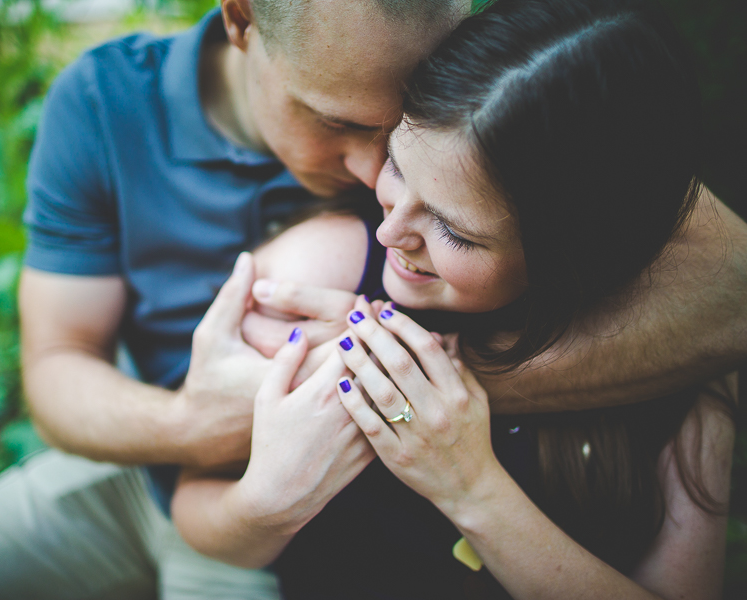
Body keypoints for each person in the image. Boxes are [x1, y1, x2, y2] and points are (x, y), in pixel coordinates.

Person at [0, 0, 745, 598]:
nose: (371, 184)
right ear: (242, 17)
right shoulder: (106, 105)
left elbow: (725, 282)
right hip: (156, 467)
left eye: (395, 130)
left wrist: (421, 395)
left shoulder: (511, 117)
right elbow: (57, 372)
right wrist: (202, 425)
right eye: (346, 127)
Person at [170, 0, 736, 598]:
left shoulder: (680, 358)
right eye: (398, 164)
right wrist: (268, 503)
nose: (392, 233)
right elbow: (199, 511)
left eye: (454, 230)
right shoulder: (323, 273)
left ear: (575, 258)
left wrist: (471, 488)